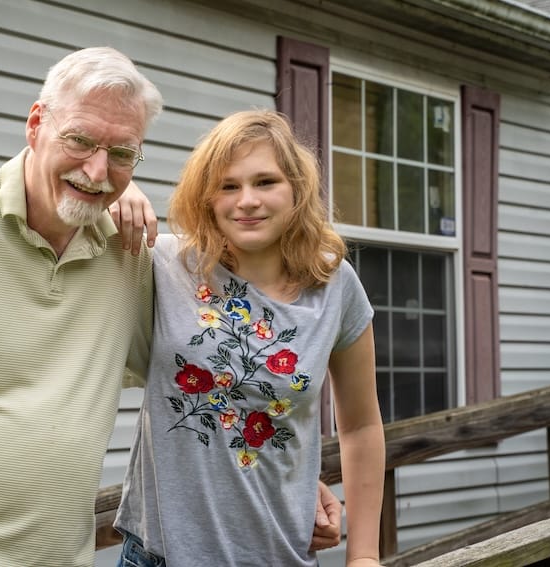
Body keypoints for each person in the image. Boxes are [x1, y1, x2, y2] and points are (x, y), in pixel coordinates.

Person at [0, 46, 342, 567]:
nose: (96, 169)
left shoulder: (132, 256)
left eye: (122, 153)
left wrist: (293, 475)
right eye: (79, 140)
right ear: (35, 124)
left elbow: (218, 378)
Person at [112, 110, 386, 566]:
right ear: (207, 198)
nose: (247, 201)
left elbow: (361, 426)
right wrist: (119, 190)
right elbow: (61, 210)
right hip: (161, 557)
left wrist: (364, 557)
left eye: (265, 182)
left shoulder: (334, 284)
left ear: (297, 191)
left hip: (282, 554)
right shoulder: (162, 265)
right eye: (228, 185)